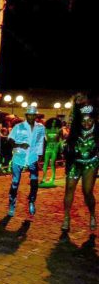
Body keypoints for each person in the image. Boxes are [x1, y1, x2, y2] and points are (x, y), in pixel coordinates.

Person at [62, 99, 98, 231]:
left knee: (87, 191)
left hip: (91, 164)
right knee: (69, 188)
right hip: (75, 163)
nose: (86, 123)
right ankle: (66, 218)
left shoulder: (97, 133)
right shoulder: (75, 132)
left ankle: (93, 215)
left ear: (94, 120)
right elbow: (68, 146)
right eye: (83, 121)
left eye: (89, 121)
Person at [7, 106, 45, 217]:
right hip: (19, 157)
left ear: (36, 116)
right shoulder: (19, 127)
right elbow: (10, 140)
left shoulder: (40, 128)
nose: (31, 117)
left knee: (34, 182)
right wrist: (19, 145)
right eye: (29, 115)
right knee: (15, 182)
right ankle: (12, 203)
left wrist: (41, 155)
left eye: (34, 115)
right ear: (26, 115)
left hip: (32, 157)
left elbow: (42, 141)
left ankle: (32, 201)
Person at [41, 118, 64, 185]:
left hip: (55, 146)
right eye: (52, 122)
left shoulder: (59, 130)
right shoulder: (46, 130)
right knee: (46, 162)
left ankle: (53, 177)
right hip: (48, 147)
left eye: (54, 122)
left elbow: (61, 139)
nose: (53, 123)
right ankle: (44, 177)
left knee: (52, 162)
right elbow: (46, 139)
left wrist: (61, 146)